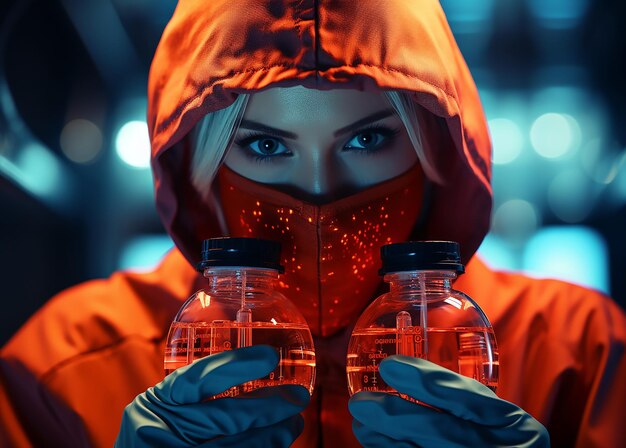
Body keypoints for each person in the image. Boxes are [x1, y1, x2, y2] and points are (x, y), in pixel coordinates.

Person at [1, 1, 625, 447]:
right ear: (194, 159)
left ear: (436, 149)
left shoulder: (580, 354)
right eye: (267, 148)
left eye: (370, 138)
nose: (320, 196)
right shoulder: (66, 364)